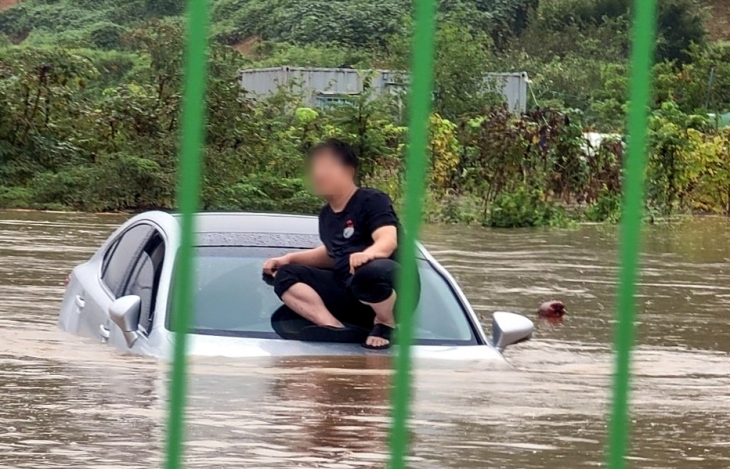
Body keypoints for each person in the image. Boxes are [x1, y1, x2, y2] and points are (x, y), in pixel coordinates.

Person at [262, 138, 400, 349]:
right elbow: (332, 254)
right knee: (286, 274)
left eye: (326, 167)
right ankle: (336, 328)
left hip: (391, 289)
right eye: (314, 169)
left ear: (348, 171)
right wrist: (288, 259)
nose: (318, 174)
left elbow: (388, 240)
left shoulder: (371, 200)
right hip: (351, 293)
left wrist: (369, 254)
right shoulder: (326, 215)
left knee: (368, 271)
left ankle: (385, 322)